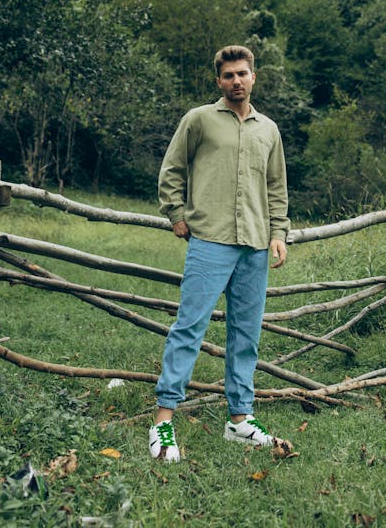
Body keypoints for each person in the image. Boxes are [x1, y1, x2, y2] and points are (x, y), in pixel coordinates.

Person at [149, 45, 290, 462]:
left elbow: (276, 187)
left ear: (254, 77)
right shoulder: (199, 120)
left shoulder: (269, 129)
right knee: (189, 328)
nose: (236, 81)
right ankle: (162, 421)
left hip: (255, 247)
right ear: (219, 81)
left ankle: (240, 420)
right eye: (228, 75)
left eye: (243, 74)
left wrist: (278, 233)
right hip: (209, 241)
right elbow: (172, 169)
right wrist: (176, 213)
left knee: (245, 336)